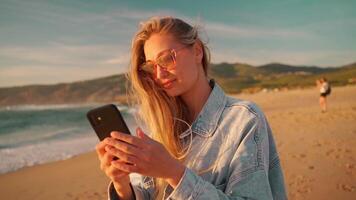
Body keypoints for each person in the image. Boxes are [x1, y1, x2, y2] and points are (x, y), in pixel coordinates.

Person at [95, 16, 287, 200]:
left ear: (197, 51)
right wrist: (122, 185)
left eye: (167, 59)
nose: (159, 74)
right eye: (151, 67)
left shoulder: (244, 120)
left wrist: (174, 173)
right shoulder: (158, 129)